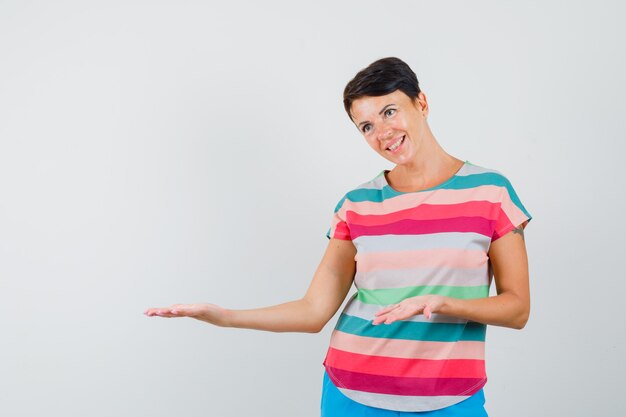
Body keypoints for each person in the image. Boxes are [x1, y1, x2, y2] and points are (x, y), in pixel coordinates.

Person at [144, 57, 532, 417]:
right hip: (351, 393)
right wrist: (225, 317)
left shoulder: (491, 192)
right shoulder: (357, 204)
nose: (383, 133)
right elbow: (314, 310)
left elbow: (517, 310)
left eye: (389, 111)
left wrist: (444, 303)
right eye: (367, 126)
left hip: (450, 397)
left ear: (422, 102)